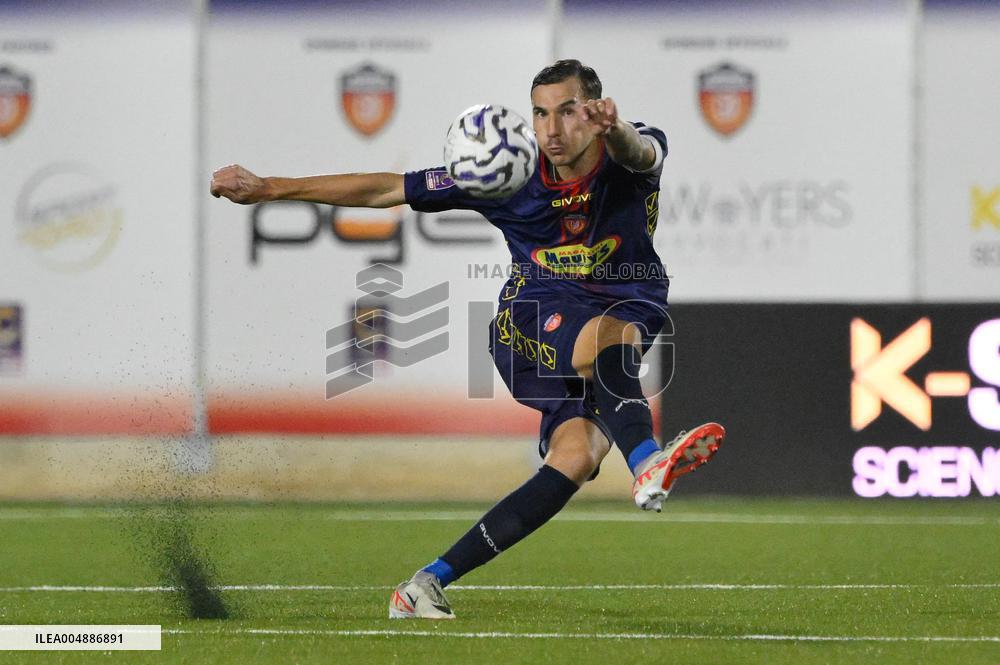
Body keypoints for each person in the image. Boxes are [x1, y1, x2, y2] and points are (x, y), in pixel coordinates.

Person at [211, 59, 725, 620]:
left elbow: (640, 152)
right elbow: (386, 189)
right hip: (533, 315)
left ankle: (423, 586)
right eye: (539, 113)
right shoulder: (504, 173)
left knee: (574, 458)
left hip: (633, 299)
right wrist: (268, 188)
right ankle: (647, 458)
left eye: (567, 111)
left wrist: (618, 129)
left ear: (594, 112)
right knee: (605, 339)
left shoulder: (630, 152)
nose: (550, 129)